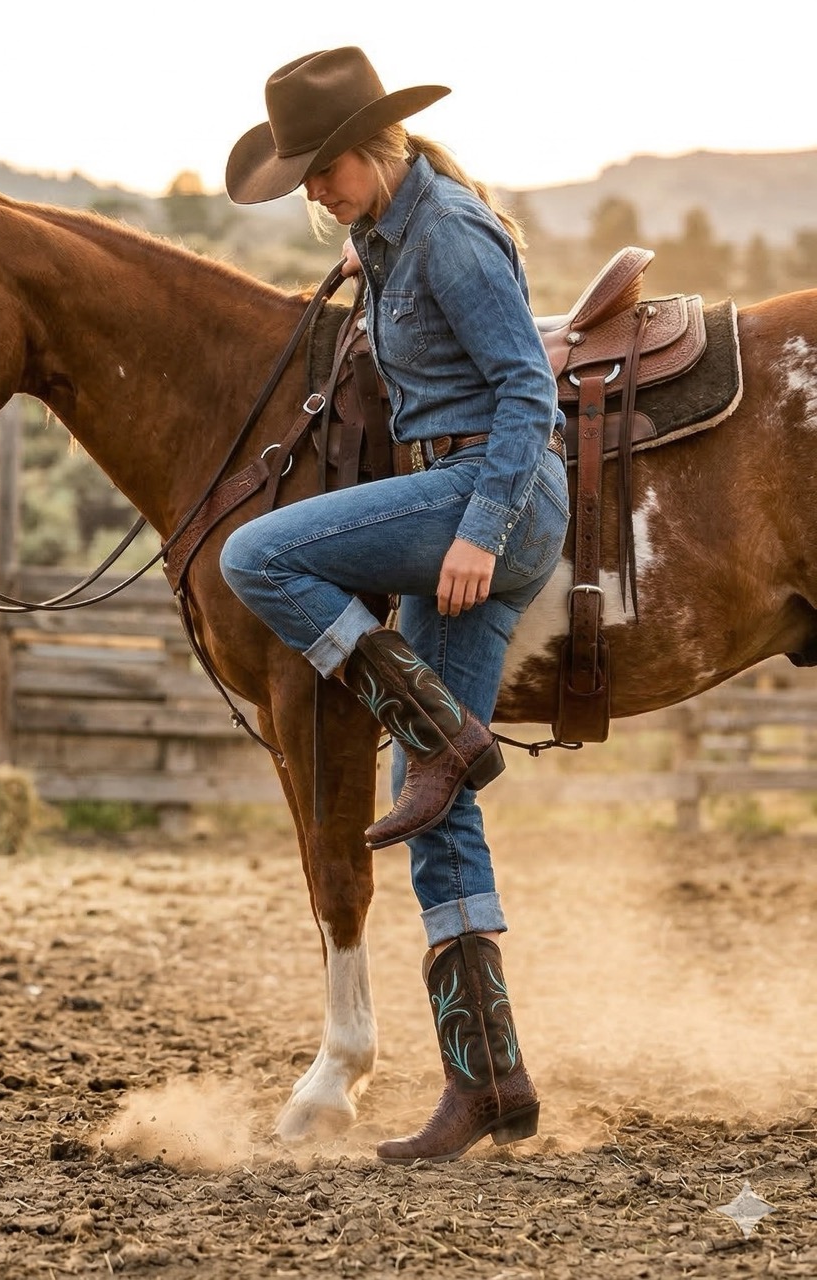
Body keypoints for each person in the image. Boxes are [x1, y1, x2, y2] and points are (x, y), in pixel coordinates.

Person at [220, 46, 570, 1162]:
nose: (315, 193)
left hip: (491, 492)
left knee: (253, 555)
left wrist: (478, 529)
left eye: (323, 172)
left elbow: (526, 388)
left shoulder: (448, 230)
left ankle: (435, 724)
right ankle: (489, 1082)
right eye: (305, 180)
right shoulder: (383, 235)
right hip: (460, 489)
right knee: (433, 804)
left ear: (374, 149)